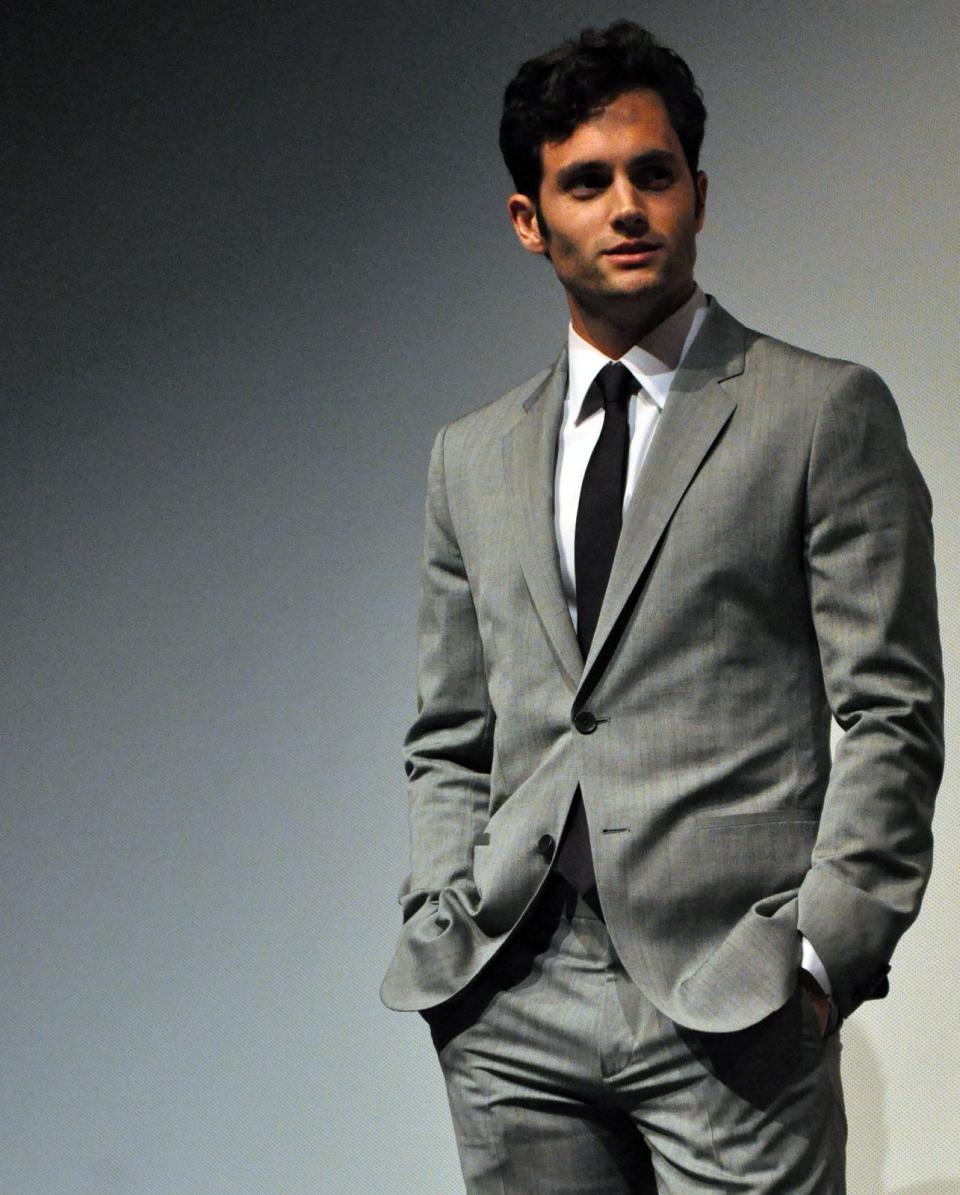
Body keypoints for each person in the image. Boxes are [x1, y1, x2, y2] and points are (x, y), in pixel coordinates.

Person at [380, 20, 944, 1194]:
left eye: (655, 173)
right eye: (586, 182)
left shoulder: (821, 412)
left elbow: (892, 712)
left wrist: (821, 951)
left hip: (732, 997)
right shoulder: (470, 457)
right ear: (530, 221)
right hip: (513, 1000)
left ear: (699, 192)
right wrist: (444, 911)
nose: (628, 205)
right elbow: (448, 734)